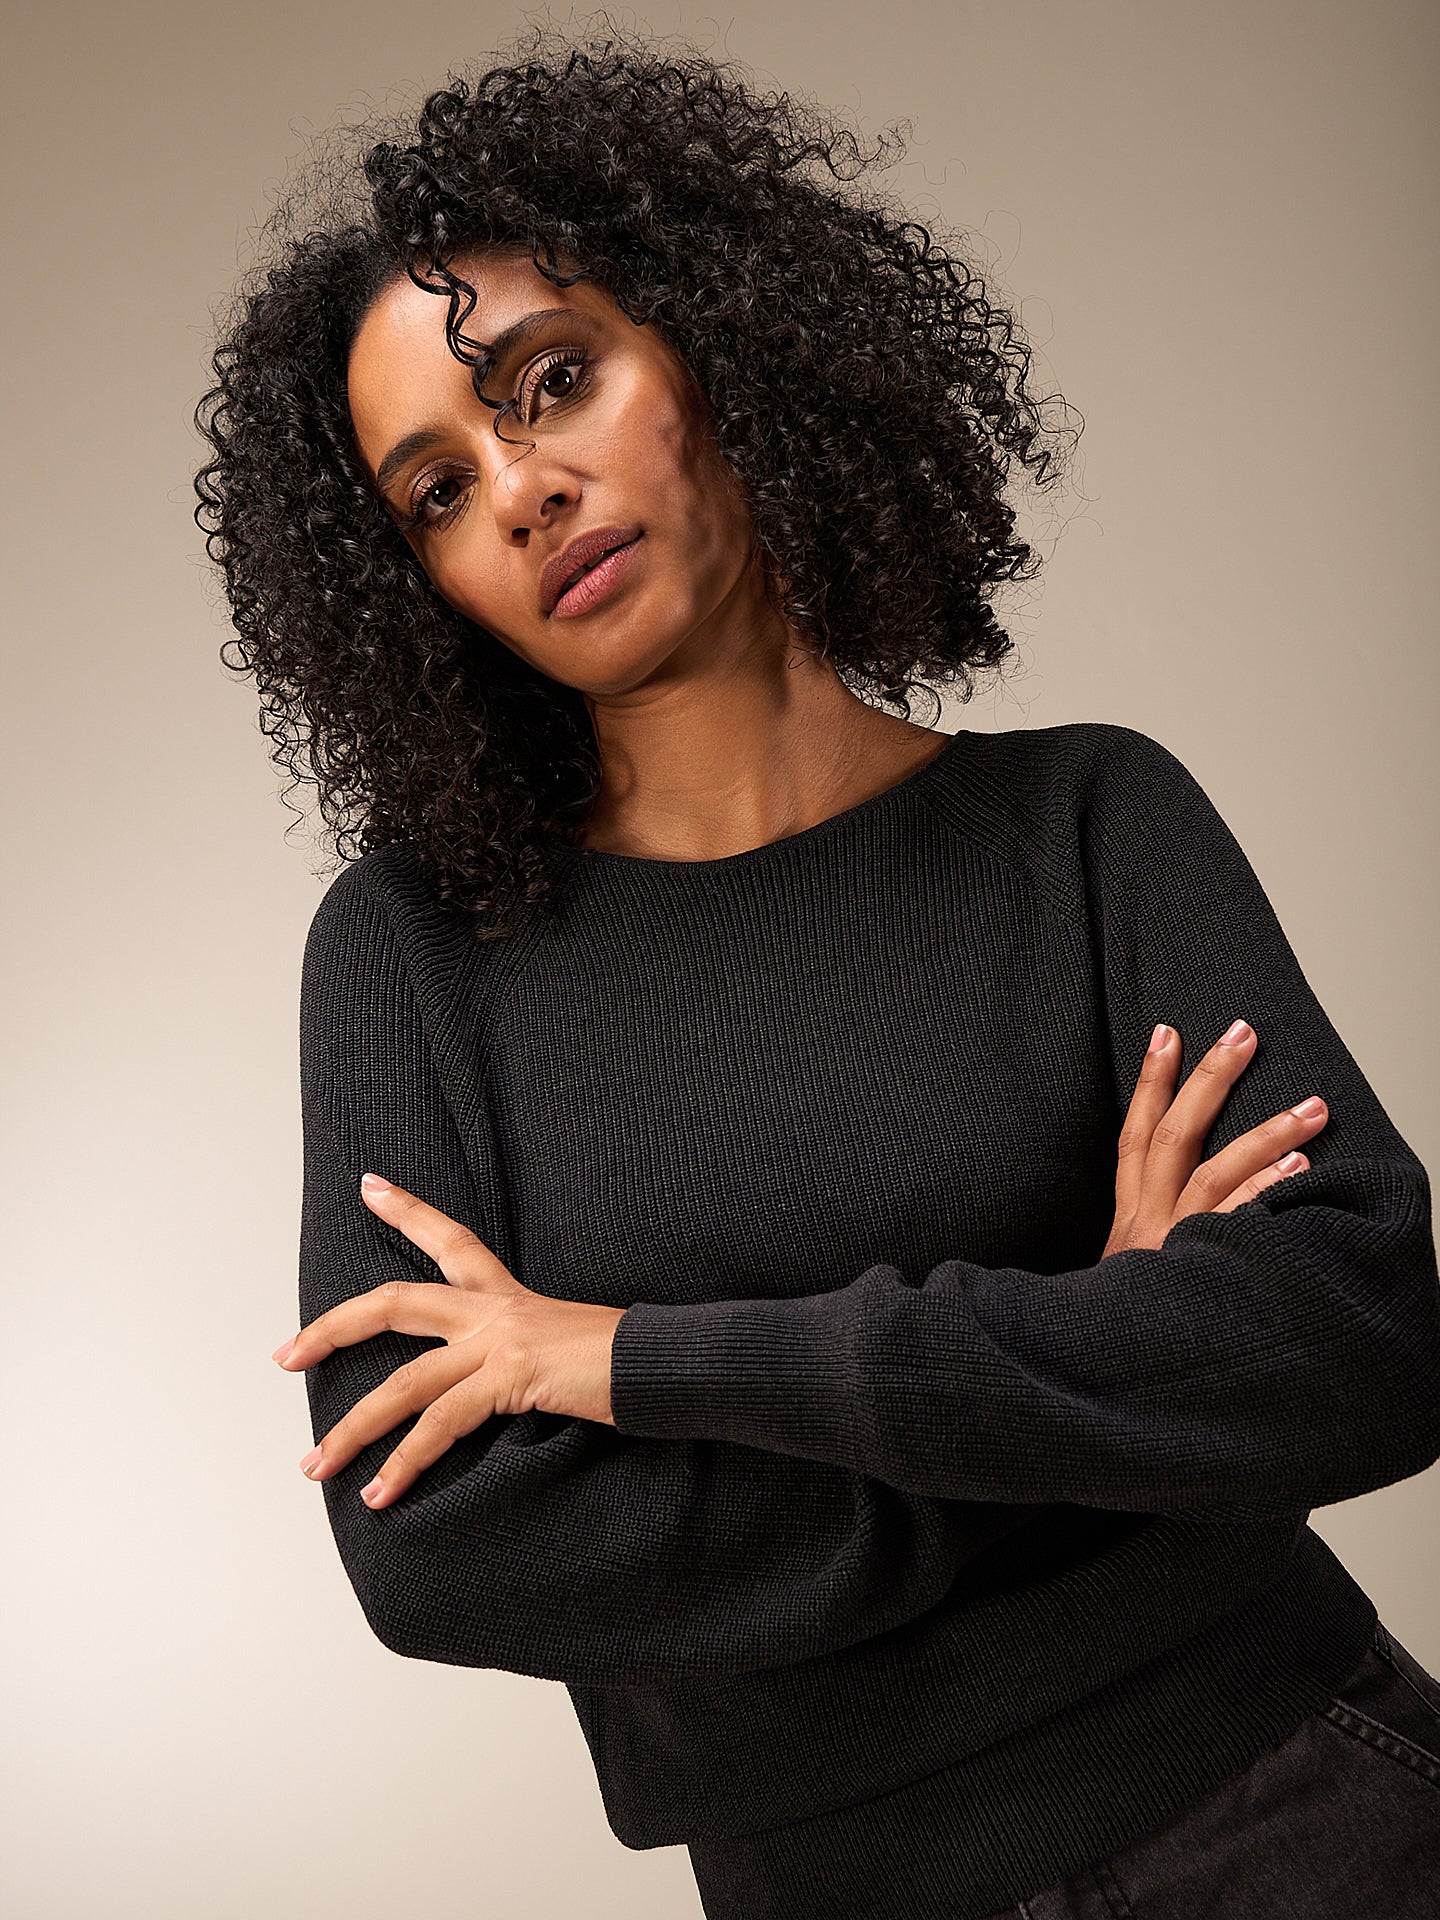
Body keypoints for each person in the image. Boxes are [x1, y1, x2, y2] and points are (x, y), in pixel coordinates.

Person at [194, 27, 1440, 1918]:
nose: (520, 489)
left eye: (554, 379)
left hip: (1302, 1805)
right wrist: (1095, 1364)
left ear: (717, 344)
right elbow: (444, 1550)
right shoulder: (418, 959)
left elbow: (1360, 1347)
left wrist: (632, 1365)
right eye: (435, 489)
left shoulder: (1086, 822)